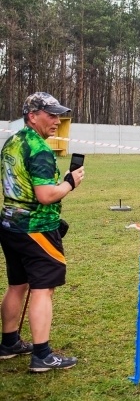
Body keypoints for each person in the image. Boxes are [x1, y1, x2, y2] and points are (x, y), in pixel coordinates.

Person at [0, 92, 84, 373]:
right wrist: (70, 183)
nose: (57, 121)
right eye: (51, 115)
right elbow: (47, 194)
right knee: (42, 289)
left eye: (58, 115)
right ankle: (42, 355)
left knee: (18, 284)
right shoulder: (39, 149)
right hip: (36, 230)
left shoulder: (13, 142)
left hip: (10, 225)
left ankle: (9, 343)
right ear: (32, 116)